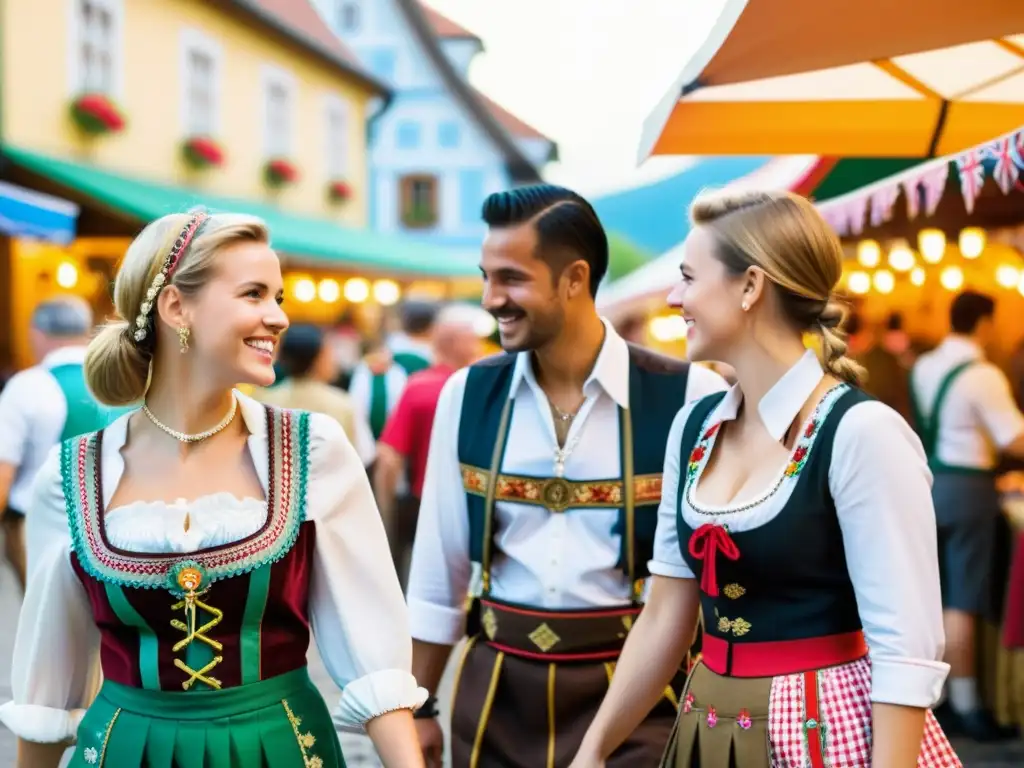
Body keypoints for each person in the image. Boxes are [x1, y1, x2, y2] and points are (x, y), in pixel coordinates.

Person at [0, 211, 426, 768]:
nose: (277, 318)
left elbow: (374, 657)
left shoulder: (311, 450)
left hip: (279, 751)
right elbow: (46, 690)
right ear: (177, 307)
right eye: (254, 294)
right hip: (125, 754)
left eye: (278, 297)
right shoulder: (72, 475)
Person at [571, 189, 959, 768]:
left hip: (821, 731)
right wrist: (594, 750)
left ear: (751, 286)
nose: (675, 298)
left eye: (688, 278)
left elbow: (904, 653)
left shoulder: (862, 433)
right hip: (708, 723)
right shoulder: (694, 426)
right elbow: (667, 611)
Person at [408, 185, 728, 768]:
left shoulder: (692, 396)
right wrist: (419, 707)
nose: (490, 299)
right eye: (485, 277)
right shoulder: (468, 393)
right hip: (497, 690)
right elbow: (438, 575)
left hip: (641, 693)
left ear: (574, 278)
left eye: (510, 279)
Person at [910, 290, 1024, 741]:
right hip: (970, 487)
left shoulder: (923, 366)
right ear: (984, 323)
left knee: (933, 598)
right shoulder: (982, 374)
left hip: (929, 485)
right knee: (963, 599)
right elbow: (1013, 438)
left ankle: (934, 700)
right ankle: (968, 705)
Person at [0, 297, 127, 588]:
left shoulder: (28, 385)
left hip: (38, 526)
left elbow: (3, 473)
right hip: (114, 525)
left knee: (45, 621)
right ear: (87, 332)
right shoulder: (120, 383)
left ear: (36, 333)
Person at [373, 304, 483, 587]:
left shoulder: (419, 387)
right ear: (457, 343)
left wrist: (387, 519)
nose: (478, 346)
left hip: (427, 507)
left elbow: (389, 458)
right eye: (473, 339)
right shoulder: (486, 387)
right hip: (480, 506)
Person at [254, 323, 376, 466]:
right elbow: (364, 455)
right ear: (319, 359)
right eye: (329, 352)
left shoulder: (261, 401)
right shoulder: (343, 404)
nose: (334, 359)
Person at [349, 300, 438, 440]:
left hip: (379, 445)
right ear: (432, 327)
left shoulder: (373, 363)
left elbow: (356, 410)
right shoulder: (439, 365)